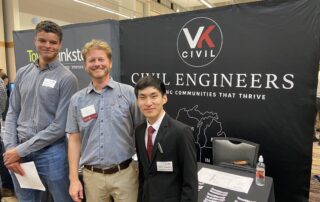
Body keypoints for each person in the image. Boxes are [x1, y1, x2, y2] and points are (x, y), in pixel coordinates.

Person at [3, 20, 78, 202]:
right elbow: (12, 112)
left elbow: (59, 126)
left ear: (59, 45)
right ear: (35, 41)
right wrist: (11, 149)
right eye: (42, 40)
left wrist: (19, 150)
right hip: (20, 151)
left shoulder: (67, 79)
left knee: (62, 198)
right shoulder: (22, 73)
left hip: (52, 152)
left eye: (53, 42)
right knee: (26, 199)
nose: (47, 46)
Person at [66, 39, 143, 202]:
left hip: (126, 175)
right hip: (92, 178)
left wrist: (141, 166)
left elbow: (141, 131)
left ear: (110, 63)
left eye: (101, 59)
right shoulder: (76, 100)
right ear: (85, 65)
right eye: (91, 60)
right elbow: (74, 141)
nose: (97, 64)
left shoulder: (129, 93)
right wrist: (74, 180)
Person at [134, 75, 198, 202]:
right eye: (142, 97)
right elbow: (143, 174)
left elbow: (190, 182)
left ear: (164, 98)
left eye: (154, 96)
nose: (148, 103)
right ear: (137, 101)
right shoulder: (139, 131)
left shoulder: (181, 132)